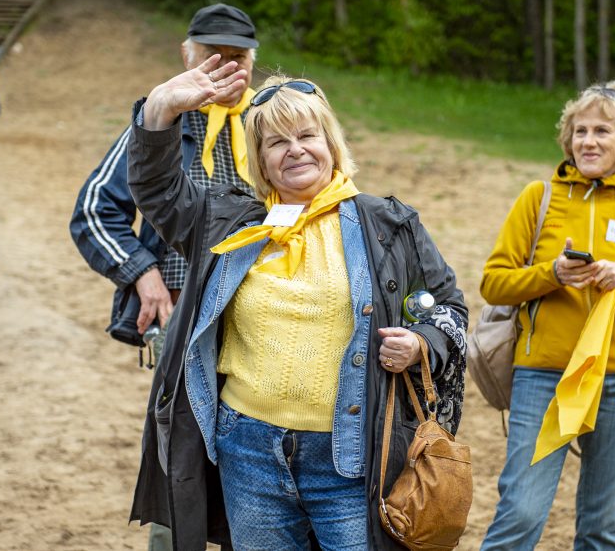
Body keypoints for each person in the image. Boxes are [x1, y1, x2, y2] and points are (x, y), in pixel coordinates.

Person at [126, 63, 468, 550]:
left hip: (351, 457)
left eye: (307, 135)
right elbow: (158, 191)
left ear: (331, 144)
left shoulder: (388, 225)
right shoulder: (230, 225)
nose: (295, 149)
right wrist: (160, 110)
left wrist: (420, 343)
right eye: (276, 142)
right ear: (260, 161)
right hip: (248, 454)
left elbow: (449, 308)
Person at [68, 3, 259, 551]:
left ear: (253, 62)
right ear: (186, 55)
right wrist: (142, 273)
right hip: (182, 319)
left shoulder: (273, 127)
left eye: (237, 57)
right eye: (211, 56)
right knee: (183, 453)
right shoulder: (161, 123)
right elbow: (92, 212)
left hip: (259, 317)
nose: (224, 67)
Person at [478, 78, 615, 550]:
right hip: (544, 376)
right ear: (568, 139)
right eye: (580, 131)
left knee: (600, 527)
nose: (588, 141)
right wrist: (551, 274)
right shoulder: (539, 197)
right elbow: (493, 283)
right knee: (520, 513)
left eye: (602, 132)